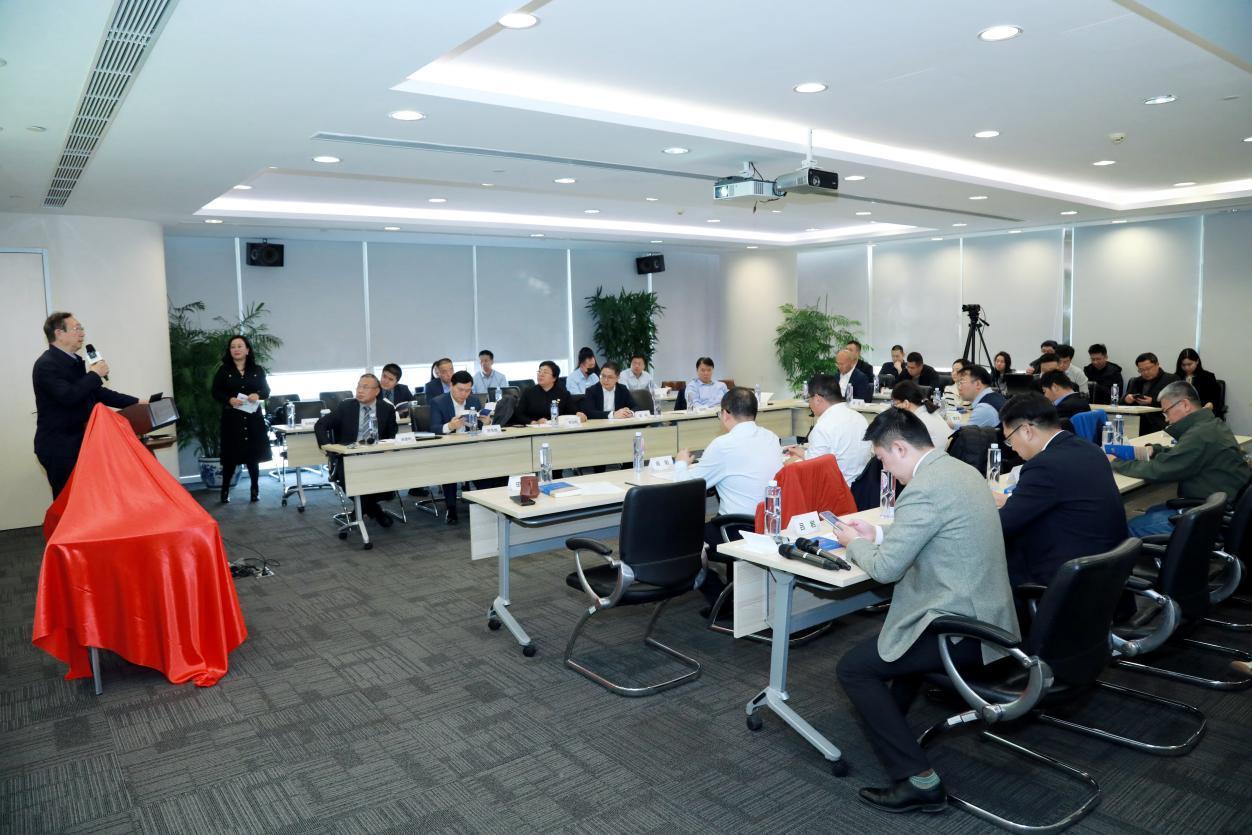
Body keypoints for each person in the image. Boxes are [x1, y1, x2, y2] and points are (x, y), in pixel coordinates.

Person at [832, 408, 1018, 814]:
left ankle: (919, 780)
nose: (884, 469)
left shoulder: (922, 489)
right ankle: (890, 721)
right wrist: (877, 532)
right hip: (991, 616)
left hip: (961, 629)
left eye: (883, 459)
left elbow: (885, 569)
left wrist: (852, 543)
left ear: (900, 448)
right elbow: (935, 528)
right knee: (898, 648)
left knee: (854, 668)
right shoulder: (959, 471)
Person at [994, 394, 1128, 588]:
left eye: (1009, 440)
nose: (1012, 448)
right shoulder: (1089, 448)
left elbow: (1002, 524)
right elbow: (1061, 498)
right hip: (1107, 568)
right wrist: (1012, 502)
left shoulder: (1043, 465)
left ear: (1026, 431)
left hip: (1070, 577)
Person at [675, 387, 782, 610]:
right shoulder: (771, 437)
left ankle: (721, 601)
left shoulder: (723, 445)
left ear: (725, 413)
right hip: (769, 524)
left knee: (677, 537)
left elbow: (686, 486)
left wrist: (681, 462)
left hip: (737, 529)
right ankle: (735, 597)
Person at [1111, 381, 1251, 536]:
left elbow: (1159, 470)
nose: (1166, 419)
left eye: (1166, 412)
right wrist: (1156, 450)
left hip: (1211, 516)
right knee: (1152, 511)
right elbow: (1188, 453)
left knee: (1129, 528)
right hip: (1222, 505)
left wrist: (1118, 463)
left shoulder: (1199, 435)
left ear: (1185, 405)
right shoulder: (1211, 425)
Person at [32, 311, 143, 498]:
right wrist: (94, 374)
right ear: (59, 333)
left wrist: (138, 402)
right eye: (77, 328)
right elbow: (69, 396)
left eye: (81, 328)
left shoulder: (74, 361)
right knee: (69, 501)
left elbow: (96, 393)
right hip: (60, 446)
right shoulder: (46, 365)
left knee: (88, 500)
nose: (82, 333)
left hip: (80, 442)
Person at [317, 374, 398, 526]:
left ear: (376, 391)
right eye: (359, 386)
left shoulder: (386, 409)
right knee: (351, 480)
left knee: (389, 481)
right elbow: (320, 424)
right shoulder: (346, 407)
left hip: (377, 457)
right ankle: (375, 510)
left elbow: (391, 436)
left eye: (365, 387)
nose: (360, 390)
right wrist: (325, 445)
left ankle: (363, 509)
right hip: (349, 458)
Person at [211, 334, 272, 504]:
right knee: (230, 457)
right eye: (233, 347)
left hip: (253, 418)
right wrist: (229, 399)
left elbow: (266, 391)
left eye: (240, 346)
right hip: (232, 418)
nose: (236, 349)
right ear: (229, 351)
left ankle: (255, 489)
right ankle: (225, 491)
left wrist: (257, 395)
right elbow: (216, 392)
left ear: (247, 350)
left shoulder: (257, 370)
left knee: (253, 456)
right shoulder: (224, 371)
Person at [783, 373, 871, 484]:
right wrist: (803, 453)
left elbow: (813, 469)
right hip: (860, 487)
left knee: (787, 468)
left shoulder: (823, 426)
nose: (809, 404)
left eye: (809, 398)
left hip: (837, 489)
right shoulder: (860, 418)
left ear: (817, 399)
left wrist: (793, 461)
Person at [430, 370, 492, 525]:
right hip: (448, 450)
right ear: (451, 386)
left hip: (472, 448)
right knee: (450, 468)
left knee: (487, 464)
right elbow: (433, 428)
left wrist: (486, 423)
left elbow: (478, 426)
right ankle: (451, 508)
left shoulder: (474, 401)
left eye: (468, 390)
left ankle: (488, 502)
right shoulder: (438, 402)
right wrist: (450, 426)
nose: (464, 394)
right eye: (460, 390)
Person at [1125, 352, 1178, 434]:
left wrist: (1152, 401)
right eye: (1141, 370)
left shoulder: (1171, 379)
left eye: (1148, 368)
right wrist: (1127, 399)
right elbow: (1121, 402)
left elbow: (1176, 402)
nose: (1145, 372)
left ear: (1157, 365)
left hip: (1160, 423)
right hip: (1137, 423)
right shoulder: (1136, 381)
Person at [891, 381, 951, 450]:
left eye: (895, 404)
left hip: (933, 455)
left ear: (906, 403)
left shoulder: (917, 421)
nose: (894, 407)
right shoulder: (928, 411)